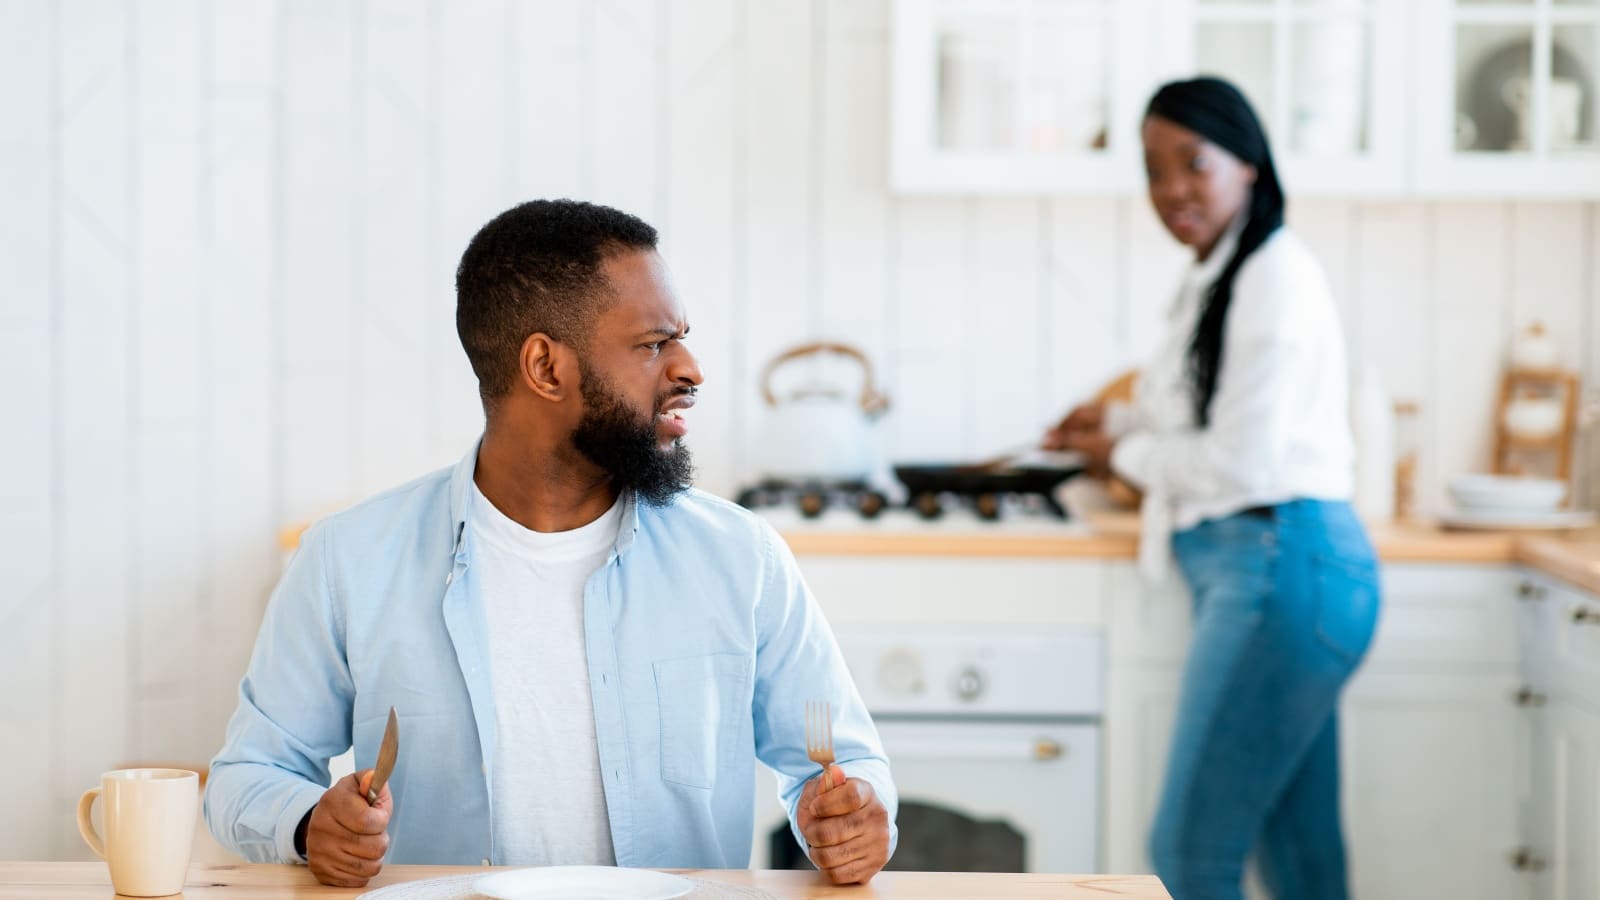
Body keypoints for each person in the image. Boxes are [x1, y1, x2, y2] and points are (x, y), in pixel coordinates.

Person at [205, 199, 897, 887]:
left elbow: (846, 766)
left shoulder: (741, 558)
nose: (690, 370)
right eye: (655, 344)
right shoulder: (347, 562)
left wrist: (856, 815)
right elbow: (246, 777)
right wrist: (306, 824)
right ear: (545, 367)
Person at [1045, 77, 1380, 900]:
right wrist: (1116, 425)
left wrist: (1119, 456)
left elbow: (1238, 462)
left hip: (1282, 569)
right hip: (1290, 571)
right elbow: (1203, 414)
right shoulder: (1227, 272)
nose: (1171, 191)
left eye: (1192, 163)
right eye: (1155, 171)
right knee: (1301, 857)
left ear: (1249, 165)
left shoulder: (1272, 279)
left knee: (1189, 853)